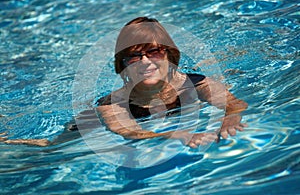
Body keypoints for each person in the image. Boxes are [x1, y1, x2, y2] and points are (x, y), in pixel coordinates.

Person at [0, 17, 247, 148]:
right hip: (87, 124)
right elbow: (129, 132)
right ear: (123, 66)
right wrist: (176, 134)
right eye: (134, 56)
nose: (145, 62)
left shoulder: (195, 83)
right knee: (51, 148)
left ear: (170, 56)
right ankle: (8, 138)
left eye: (154, 52)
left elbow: (234, 104)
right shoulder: (112, 104)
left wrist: (230, 120)